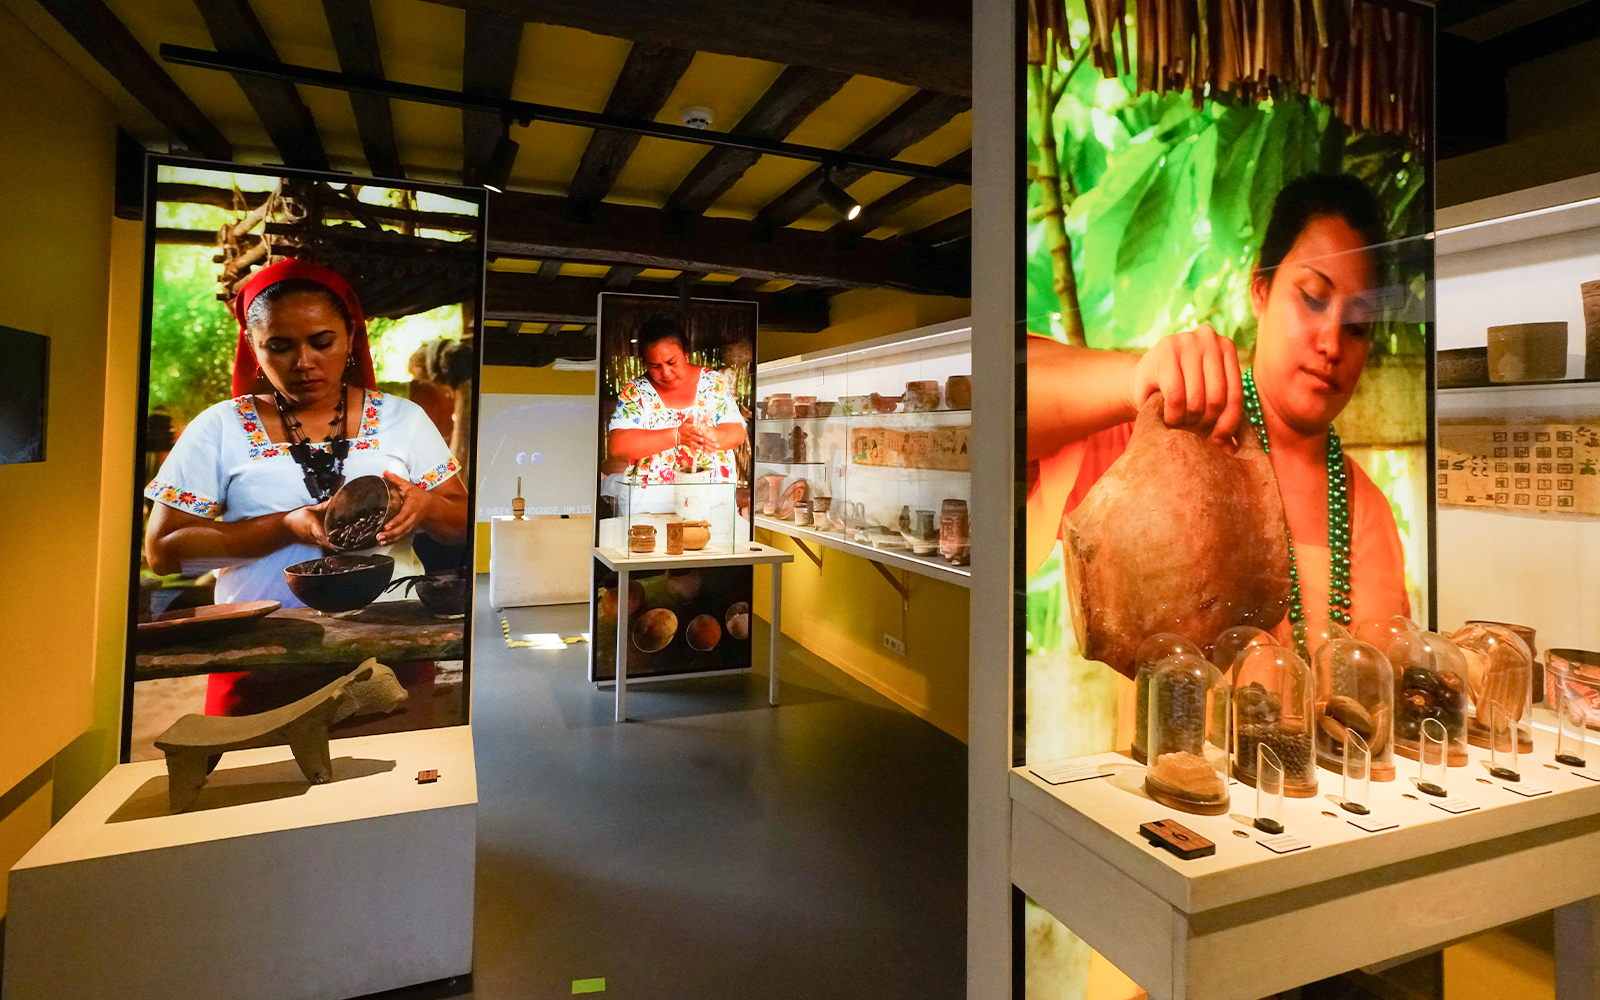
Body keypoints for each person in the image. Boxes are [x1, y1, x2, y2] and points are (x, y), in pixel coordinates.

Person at [1027, 173, 1409, 645]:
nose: (1331, 343)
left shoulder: (1370, 512)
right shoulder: (1165, 441)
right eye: (1313, 298)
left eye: (1357, 325)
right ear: (1260, 290)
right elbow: (997, 405)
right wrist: (1133, 379)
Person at [143, 258, 470, 714]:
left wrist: (427, 508)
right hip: (258, 657)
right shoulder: (219, 428)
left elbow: (463, 524)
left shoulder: (403, 419)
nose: (303, 363)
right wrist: (286, 527)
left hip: (393, 651)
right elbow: (162, 553)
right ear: (253, 346)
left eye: (322, 342)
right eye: (279, 346)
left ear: (350, 338)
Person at [606, 316, 748, 485]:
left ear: (685, 354)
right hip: (653, 498)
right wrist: (676, 436)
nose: (666, 372)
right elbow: (617, 446)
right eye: (655, 366)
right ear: (645, 363)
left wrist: (708, 436)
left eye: (671, 362)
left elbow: (738, 433)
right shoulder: (636, 392)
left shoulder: (712, 383)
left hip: (709, 494)